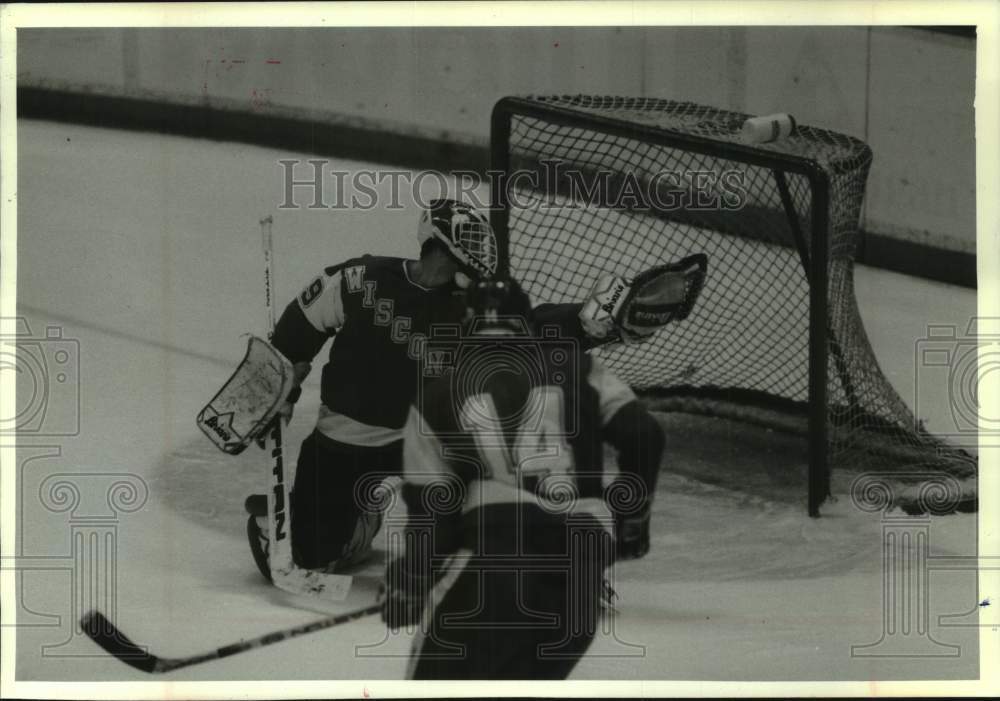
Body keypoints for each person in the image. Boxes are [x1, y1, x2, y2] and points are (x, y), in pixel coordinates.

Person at [245, 197, 702, 580]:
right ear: (434, 247)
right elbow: (293, 337)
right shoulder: (358, 280)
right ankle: (361, 515)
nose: (474, 265)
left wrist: (590, 323)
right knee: (315, 557)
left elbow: (535, 326)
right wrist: (278, 385)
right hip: (344, 443)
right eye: (463, 253)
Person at [381, 278, 665, 679]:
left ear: (466, 326)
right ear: (526, 324)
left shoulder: (436, 396)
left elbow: (433, 514)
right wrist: (631, 520)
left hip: (492, 567)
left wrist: (411, 578)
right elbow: (645, 435)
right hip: (580, 575)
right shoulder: (579, 365)